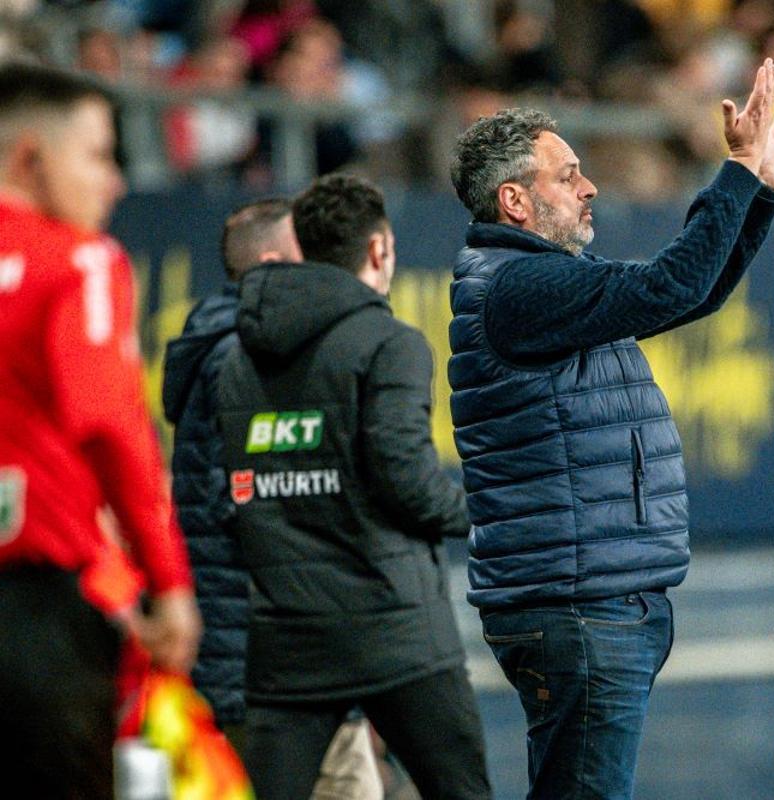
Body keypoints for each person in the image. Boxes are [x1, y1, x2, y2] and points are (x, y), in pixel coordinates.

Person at [447, 59, 774, 799]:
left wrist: (761, 193)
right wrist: (737, 171)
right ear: (515, 202)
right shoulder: (521, 287)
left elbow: (685, 298)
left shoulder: (534, 282)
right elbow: (672, 284)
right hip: (578, 605)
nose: (589, 186)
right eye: (567, 175)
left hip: (589, 600)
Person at [216, 173, 491, 800]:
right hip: (396, 632)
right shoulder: (390, 344)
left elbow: (232, 493)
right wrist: (479, 514)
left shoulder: (238, 360)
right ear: (379, 250)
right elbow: (409, 482)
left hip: (288, 639)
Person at [0, 61, 200, 797]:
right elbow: (115, 429)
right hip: (38, 615)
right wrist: (170, 584)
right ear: (30, 156)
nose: (114, 182)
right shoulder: (79, 263)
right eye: (99, 155)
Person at [163, 197, 299, 746]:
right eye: (304, 252)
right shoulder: (238, 356)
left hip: (243, 636)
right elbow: (240, 498)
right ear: (270, 266)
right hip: (243, 643)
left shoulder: (235, 345)